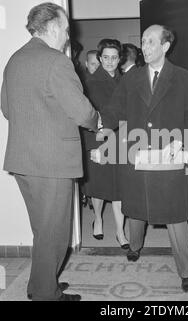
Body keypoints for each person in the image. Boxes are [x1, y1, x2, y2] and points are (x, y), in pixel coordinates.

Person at [92, 25, 188, 292]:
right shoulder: (130, 79)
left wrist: (184, 142)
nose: (145, 46)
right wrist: (102, 130)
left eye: (151, 41)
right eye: (143, 41)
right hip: (137, 154)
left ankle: (187, 272)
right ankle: (134, 246)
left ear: (165, 46)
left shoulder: (184, 78)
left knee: (175, 216)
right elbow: (114, 110)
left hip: (170, 156)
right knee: (136, 206)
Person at [0, 2, 100, 301]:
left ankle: (42, 285)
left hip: (22, 161)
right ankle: (46, 295)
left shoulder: (14, 60)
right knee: (55, 234)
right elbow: (82, 111)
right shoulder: (57, 61)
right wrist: (98, 121)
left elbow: (6, 109)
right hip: (52, 162)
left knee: (43, 231)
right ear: (54, 27)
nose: (68, 37)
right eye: (66, 30)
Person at [81, 39, 129, 249]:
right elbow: (87, 117)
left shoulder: (126, 81)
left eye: (114, 57)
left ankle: (120, 232)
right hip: (100, 141)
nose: (110, 62)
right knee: (99, 187)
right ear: (100, 59)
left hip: (122, 141)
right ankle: (98, 219)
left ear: (120, 59)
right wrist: (93, 146)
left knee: (120, 188)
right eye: (106, 57)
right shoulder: (90, 83)